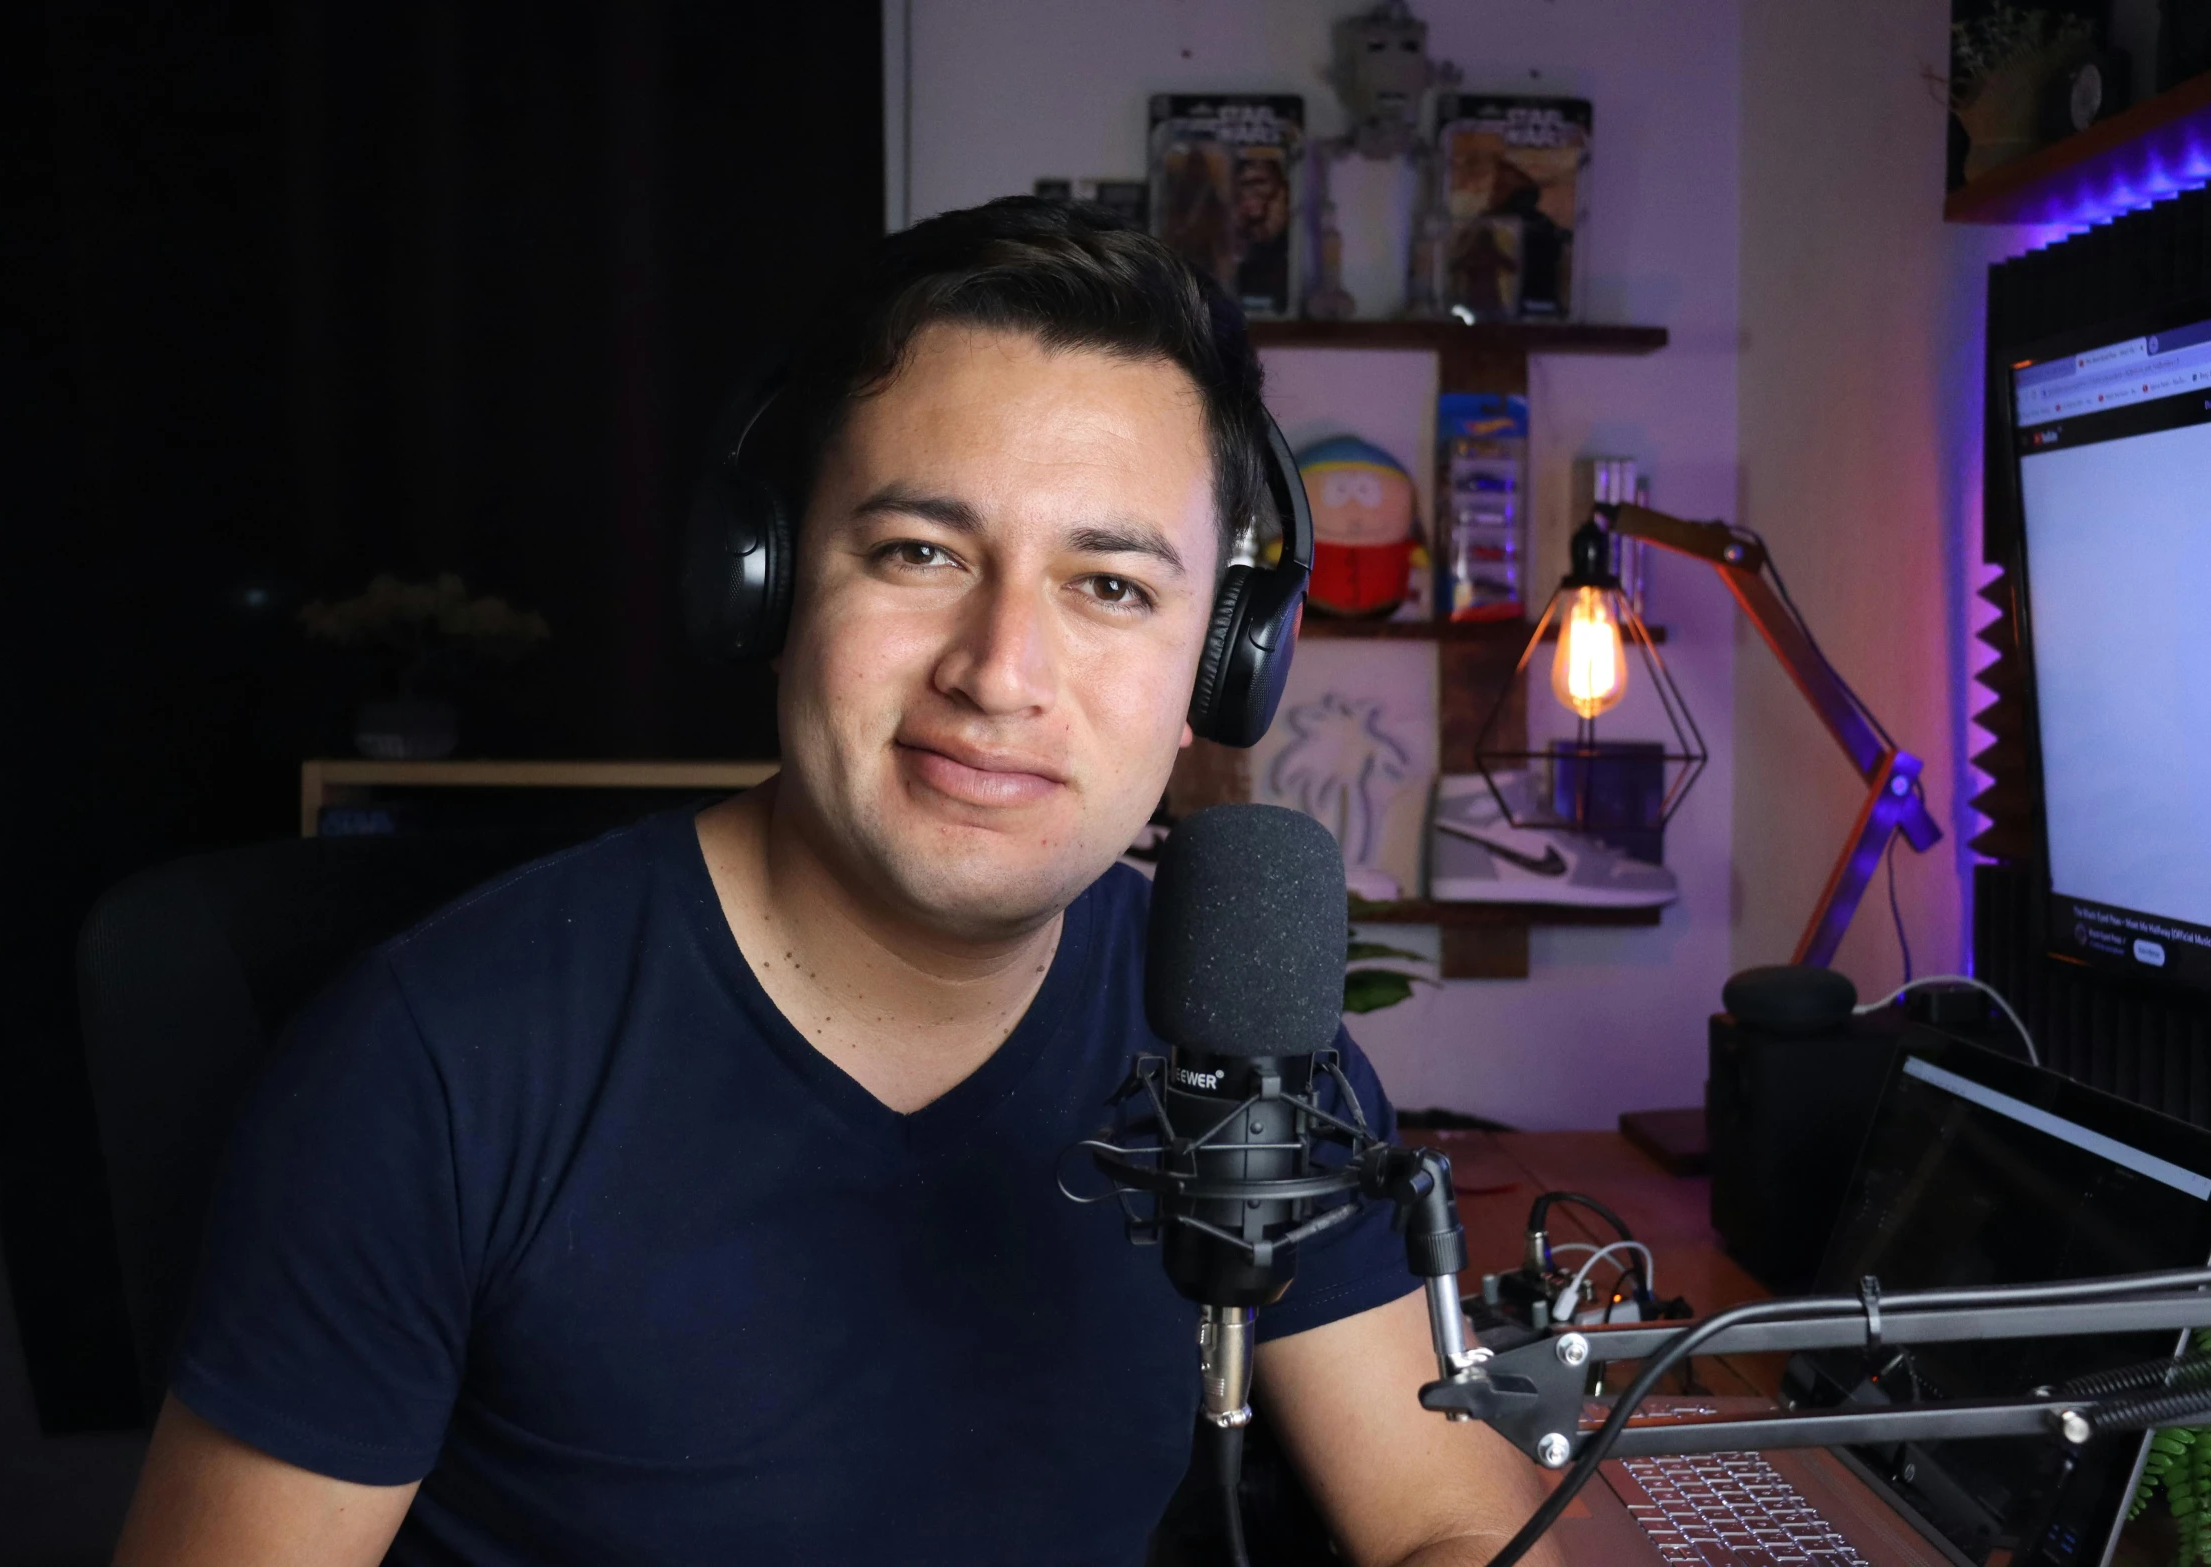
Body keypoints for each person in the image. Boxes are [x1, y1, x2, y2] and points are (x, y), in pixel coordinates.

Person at [113, 197, 1559, 1567]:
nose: (998, 672)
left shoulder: (1242, 1044)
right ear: (764, 581)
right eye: (919, 551)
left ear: (1221, 667)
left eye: (1109, 585)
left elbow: (1457, 1518)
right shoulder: (429, 1069)